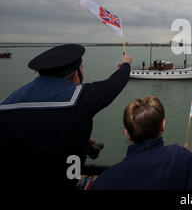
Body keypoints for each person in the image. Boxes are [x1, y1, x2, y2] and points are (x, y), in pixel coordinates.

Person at [0, 44, 132, 189]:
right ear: (76, 74)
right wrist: (126, 63)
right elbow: (113, 84)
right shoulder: (79, 100)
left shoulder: (6, 103)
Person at [90, 96, 192, 190]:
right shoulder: (182, 157)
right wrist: (186, 156)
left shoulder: (105, 180)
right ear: (163, 125)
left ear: (127, 133)